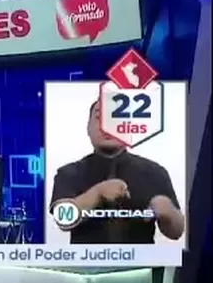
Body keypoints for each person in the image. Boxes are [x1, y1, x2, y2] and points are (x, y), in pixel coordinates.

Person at [49, 101, 185, 244]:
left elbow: (176, 232)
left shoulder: (155, 172)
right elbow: (63, 220)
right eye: (99, 117)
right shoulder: (69, 173)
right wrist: (97, 193)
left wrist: (168, 210)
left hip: (141, 258)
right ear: (88, 128)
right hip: (87, 257)